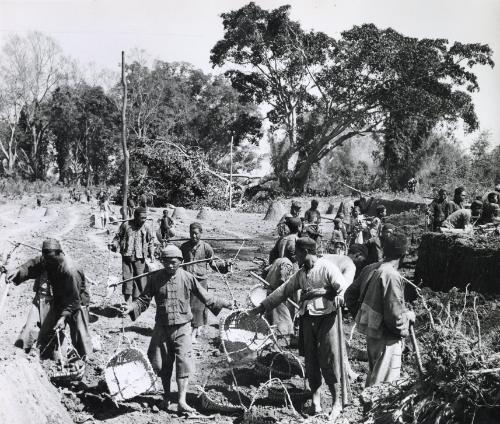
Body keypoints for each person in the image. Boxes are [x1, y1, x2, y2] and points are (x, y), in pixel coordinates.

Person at [120, 245, 233, 412]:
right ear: (162, 262)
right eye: (166, 262)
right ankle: (166, 397)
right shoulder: (155, 278)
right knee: (163, 363)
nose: (170, 266)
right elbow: (144, 300)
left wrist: (226, 303)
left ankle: (181, 401)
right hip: (162, 328)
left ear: (180, 261)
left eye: (173, 262)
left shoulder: (188, 277)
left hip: (183, 328)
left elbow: (206, 297)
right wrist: (131, 307)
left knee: (183, 362)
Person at [250, 237, 349, 420]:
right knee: (311, 362)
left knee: (328, 360)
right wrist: (262, 307)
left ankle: (336, 402)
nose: (295, 256)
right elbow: (283, 290)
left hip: (327, 319)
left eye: (297, 252)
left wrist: (333, 295)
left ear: (305, 252)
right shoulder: (302, 273)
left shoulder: (327, 267)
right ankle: (316, 402)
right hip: (307, 319)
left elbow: (341, 287)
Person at [6, 239, 92, 360]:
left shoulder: (70, 270)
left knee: (79, 333)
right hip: (59, 298)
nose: (47, 262)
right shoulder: (48, 259)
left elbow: (74, 299)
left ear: (60, 253)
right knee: (52, 329)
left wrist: (63, 317)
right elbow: (32, 266)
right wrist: (19, 271)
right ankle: (49, 357)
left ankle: (84, 359)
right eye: (46, 259)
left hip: (77, 301)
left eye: (50, 260)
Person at [355, 233, 415, 387]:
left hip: (373, 334)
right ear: (403, 255)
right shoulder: (391, 275)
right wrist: (408, 318)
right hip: (386, 338)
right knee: (382, 387)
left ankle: (366, 409)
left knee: (375, 378)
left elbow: (352, 295)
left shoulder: (377, 269)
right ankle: (371, 411)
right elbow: (394, 316)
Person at [180, 222, 228, 341]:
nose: (194, 236)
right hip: (187, 280)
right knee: (186, 306)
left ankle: (194, 332)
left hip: (200, 281)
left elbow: (212, 264)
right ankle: (189, 329)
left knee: (198, 307)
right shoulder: (184, 247)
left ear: (201, 233)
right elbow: (179, 262)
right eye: (191, 233)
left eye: (196, 234)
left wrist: (224, 265)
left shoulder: (206, 247)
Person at [110, 207, 155, 303]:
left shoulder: (146, 227)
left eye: (145, 218)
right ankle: (127, 301)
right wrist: (114, 244)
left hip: (140, 257)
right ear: (135, 216)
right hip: (127, 257)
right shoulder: (126, 225)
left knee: (140, 279)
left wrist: (151, 253)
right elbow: (118, 237)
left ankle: (136, 302)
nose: (143, 220)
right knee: (127, 279)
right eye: (141, 218)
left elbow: (150, 241)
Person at [263, 236, 299, 340]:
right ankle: (280, 342)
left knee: (272, 318)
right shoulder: (287, 264)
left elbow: (265, 270)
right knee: (284, 320)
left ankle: (271, 339)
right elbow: (283, 280)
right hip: (277, 295)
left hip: (269, 292)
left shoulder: (278, 260)